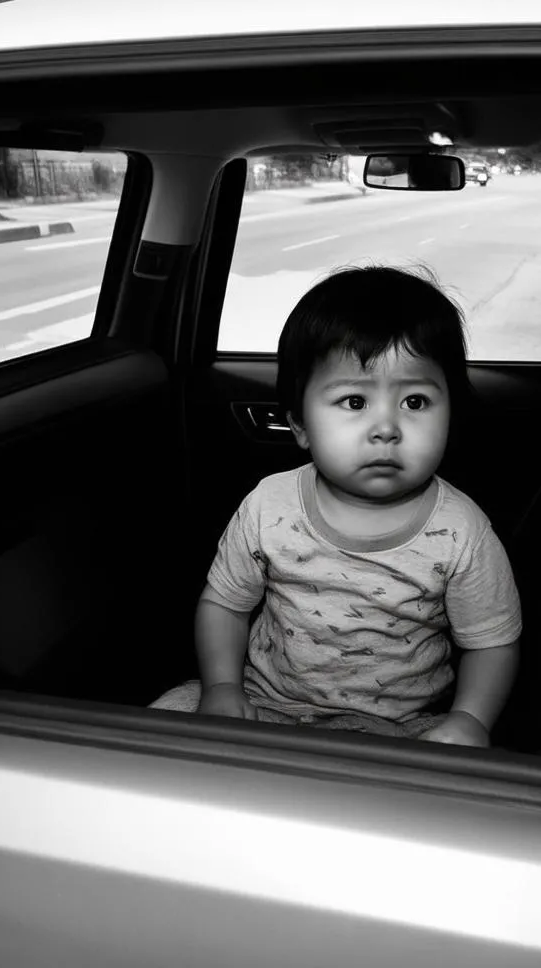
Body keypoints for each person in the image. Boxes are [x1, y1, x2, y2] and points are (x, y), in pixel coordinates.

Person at [152, 265, 521, 747]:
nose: (386, 427)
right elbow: (224, 604)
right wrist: (222, 686)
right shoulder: (270, 505)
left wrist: (471, 719)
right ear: (300, 427)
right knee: (170, 713)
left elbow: (491, 643)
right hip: (267, 702)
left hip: (401, 727)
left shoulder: (462, 531)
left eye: (414, 402)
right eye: (353, 402)